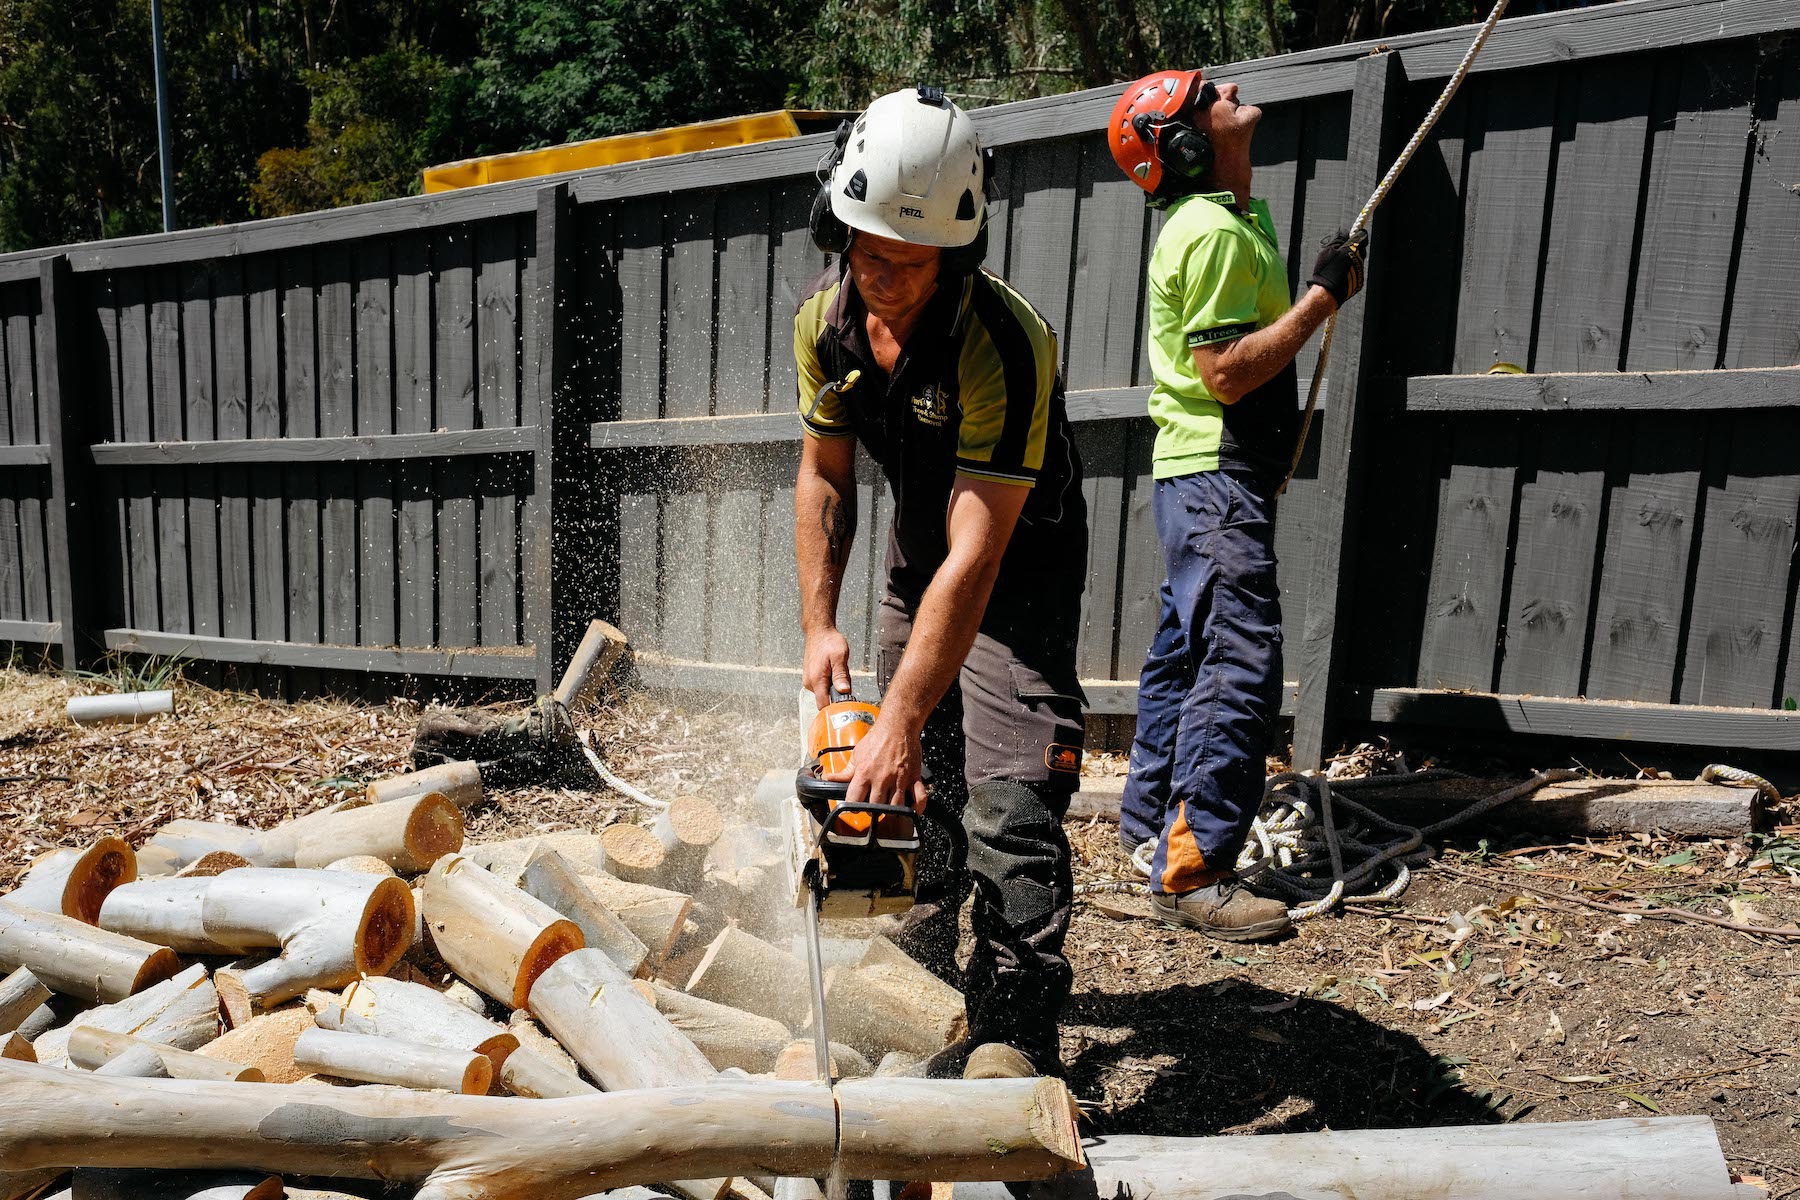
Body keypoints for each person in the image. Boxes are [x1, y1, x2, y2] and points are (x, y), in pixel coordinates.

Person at [793, 86, 1088, 1078]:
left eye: (906, 262)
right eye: (863, 248)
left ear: (955, 252)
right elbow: (825, 477)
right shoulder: (825, 327)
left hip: (1014, 573)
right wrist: (818, 625)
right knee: (904, 802)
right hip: (918, 565)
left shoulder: (1005, 342)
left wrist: (902, 714)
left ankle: (1012, 1045)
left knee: (1008, 809)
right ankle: (903, 1009)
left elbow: (980, 554)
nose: (879, 274)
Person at [1107, 69, 1367, 941]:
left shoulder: (1225, 222)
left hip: (1198, 479)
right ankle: (1193, 871)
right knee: (1238, 663)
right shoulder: (1212, 234)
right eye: (1212, 93)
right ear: (1184, 144)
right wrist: (1323, 300)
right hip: (1215, 478)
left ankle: (1148, 830)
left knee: (1186, 655)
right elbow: (1225, 373)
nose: (1235, 88)